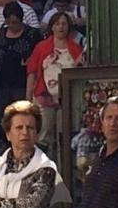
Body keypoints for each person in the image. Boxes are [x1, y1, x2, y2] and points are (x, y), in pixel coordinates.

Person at [25, 12, 83, 159]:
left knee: (65, 134)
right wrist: (28, 95)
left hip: (68, 99)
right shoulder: (41, 47)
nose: (61, 27)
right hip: (44, 97)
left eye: (64, 23)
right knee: (43, 134)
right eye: (57, 24)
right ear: (51, 27)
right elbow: (32, 71)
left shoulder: (76, 48)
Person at [0, 2, 42, 120]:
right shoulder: (1, 34)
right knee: (3, 116)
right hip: (3, 81)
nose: (11, 25)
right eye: (8, 22)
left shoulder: (32, 35)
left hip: (22, 81)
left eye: (14, 22)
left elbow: (38, 57)